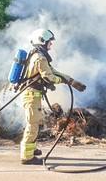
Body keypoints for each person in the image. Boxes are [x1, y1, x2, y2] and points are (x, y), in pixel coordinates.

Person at [19, 28, 86, 165]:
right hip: (31, 95)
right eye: (49, 42)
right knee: (32, 124)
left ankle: (32, 149)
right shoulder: (40, 57)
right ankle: (27, 157)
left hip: (33, 95)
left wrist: (70, 80)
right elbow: (49, 77)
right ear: (42, 41)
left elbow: (52, 71)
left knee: (36, 122)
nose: (51, 45)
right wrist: (62, 81)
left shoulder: (38, 55)